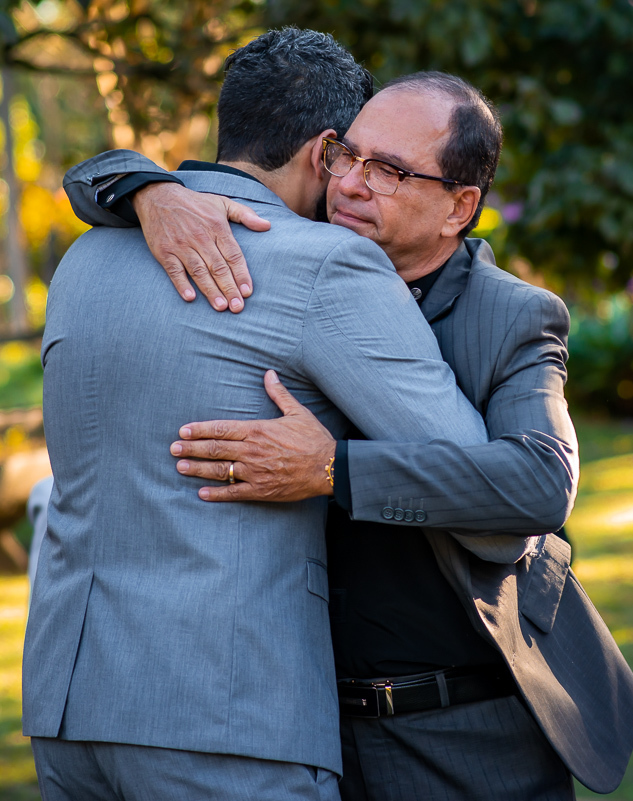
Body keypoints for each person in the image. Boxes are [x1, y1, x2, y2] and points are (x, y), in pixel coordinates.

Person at [65, 72, 633, 799]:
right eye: (348, 155)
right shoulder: (287, 267)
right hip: (310, 727)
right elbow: (114, 173)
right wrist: (154, 192)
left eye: (392, 172)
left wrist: (335, 470)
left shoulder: (512, 316)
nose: (351, 184)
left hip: (464, 723)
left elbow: (540, 482)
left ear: (460, 206)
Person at [24, 29, 491, 801]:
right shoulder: (326, 265)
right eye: (350, 158)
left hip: (68, 709)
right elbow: (468, 477)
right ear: (324, 152)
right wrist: (336, 465)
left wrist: (144, 185)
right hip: (227, 715)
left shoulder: (87, 258)